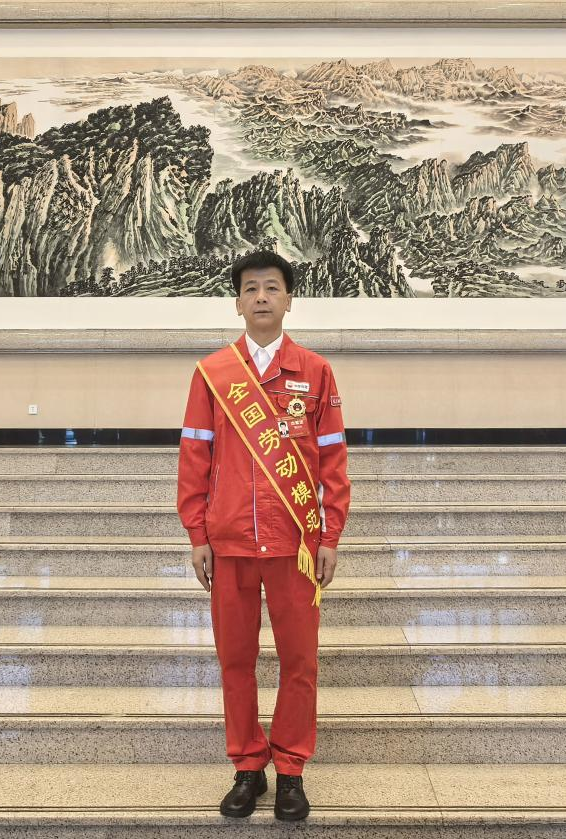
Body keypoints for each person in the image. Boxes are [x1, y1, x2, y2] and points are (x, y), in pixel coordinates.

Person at [176, 250, 351, 821]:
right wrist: (197, 533)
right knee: (235, 660)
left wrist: (329, 535)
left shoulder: (315, 372)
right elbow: (194, 457)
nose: (260, 297)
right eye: (250, 288)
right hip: (228, 543)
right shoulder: (212, 374)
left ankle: (292, 769)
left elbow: (333, 461)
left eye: (271, 287)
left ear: (288, 299)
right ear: (237, 302)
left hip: (296, 546)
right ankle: (248, 766)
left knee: (300, 662)